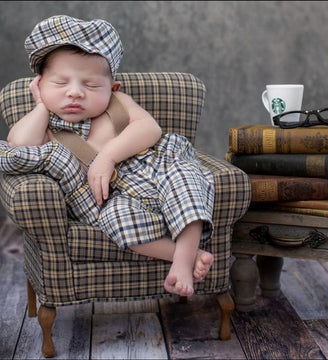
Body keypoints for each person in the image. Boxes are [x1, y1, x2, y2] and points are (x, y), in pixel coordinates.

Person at [7, 15, 215, 297]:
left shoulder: (117, 104)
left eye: (91, 85)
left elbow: (149, 128)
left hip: (155, 169)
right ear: (40, 85)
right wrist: (42, 106)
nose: (75, 93)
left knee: (186, 180)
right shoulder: (49, 128)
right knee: (117, 221)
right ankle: (184, 257)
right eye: (59, 83)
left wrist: (108, 156)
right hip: (115, 197)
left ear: (112, 88)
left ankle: (183, 258)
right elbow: (19, 145)